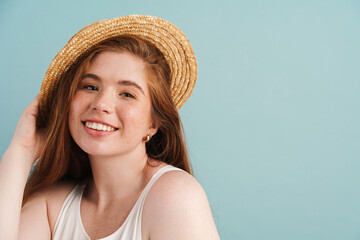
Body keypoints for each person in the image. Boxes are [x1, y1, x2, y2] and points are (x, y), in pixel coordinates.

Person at [0, 15, 219, 240]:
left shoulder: (174, 196)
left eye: (127, 94)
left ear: (153, 124)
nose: (101, 104)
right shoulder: (51, 205)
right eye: (91, 86)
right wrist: (21, 151)